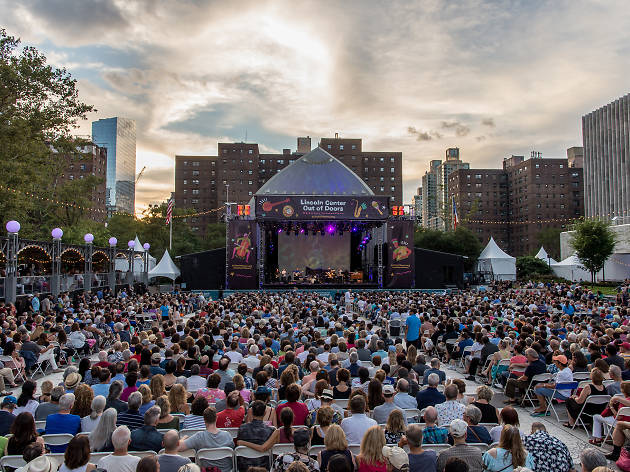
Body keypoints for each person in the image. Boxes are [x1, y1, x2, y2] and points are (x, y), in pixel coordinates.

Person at [181, 406, 234, 471]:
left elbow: (179, 447)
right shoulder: (227, 435)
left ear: (204, 420)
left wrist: (183, 438)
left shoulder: (199, 437)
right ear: (216, 418)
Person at [236, 400, 275, 470]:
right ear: (265, 413)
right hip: (263, 467)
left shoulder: (242, 429)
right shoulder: (270, 431)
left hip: (244, 467)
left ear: (252, 412)